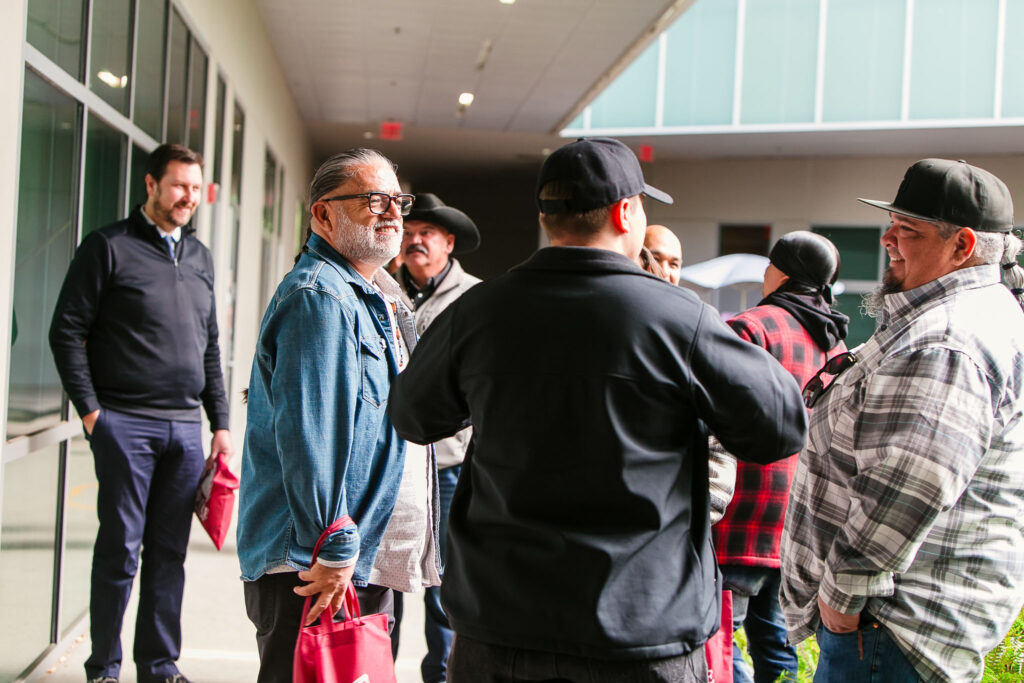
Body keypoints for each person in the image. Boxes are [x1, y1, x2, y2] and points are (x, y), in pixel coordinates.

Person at [388, 137, 808, 683]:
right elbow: (780, 427)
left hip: (503, 629)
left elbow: (413, 416)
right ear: (625, 212)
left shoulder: (480, 311)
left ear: (546, 215)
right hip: (642, 631)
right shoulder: (681, 319)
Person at [780, 158, 1024, 682]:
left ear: (962, 246)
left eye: (907, 229)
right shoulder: (953, 318)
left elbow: (910, 486)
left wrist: (842, 602)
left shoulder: (947, 339)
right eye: (892, 222)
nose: (888, 238)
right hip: (887, 628)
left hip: (889, 632)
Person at [236, 149, 438, 683]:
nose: (391, 211)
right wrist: (333, 545)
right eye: (374, 199)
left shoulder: (370, 295)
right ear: (323, 215)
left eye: (397, 199)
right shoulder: (319, 297)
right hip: (318, 562)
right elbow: (311, 435)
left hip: (355, 554)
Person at [49, 143, 231, 683]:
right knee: (120, 553)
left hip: (185, 428)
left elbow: (210, 346)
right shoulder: (108, 247)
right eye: (178, 186)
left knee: (168, 555)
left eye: (196, 189)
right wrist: (91, 413)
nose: (188, 198)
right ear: (150, 185)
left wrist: (219, 423)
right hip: (124, 423)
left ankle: (158, 665)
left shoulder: (199, 256)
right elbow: (67, 332)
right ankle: (103, 667)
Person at [713, 231, 849, 683]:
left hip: (740, 518)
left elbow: (718, 419)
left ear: (783, 273)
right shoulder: (836, 343)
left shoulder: (750, 328)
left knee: (718, 639)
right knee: (777, 645)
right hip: (798, 522)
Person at [393, 192, 481, 683]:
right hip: (391, 460)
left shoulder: (475, 298)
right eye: (408, 233)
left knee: (442, 585)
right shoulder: (383, 289)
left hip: (447, 464)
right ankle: (376, 668)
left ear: (449, 242)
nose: (415, 240)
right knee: (382, 576)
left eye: (426, 233)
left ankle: (442, 677)